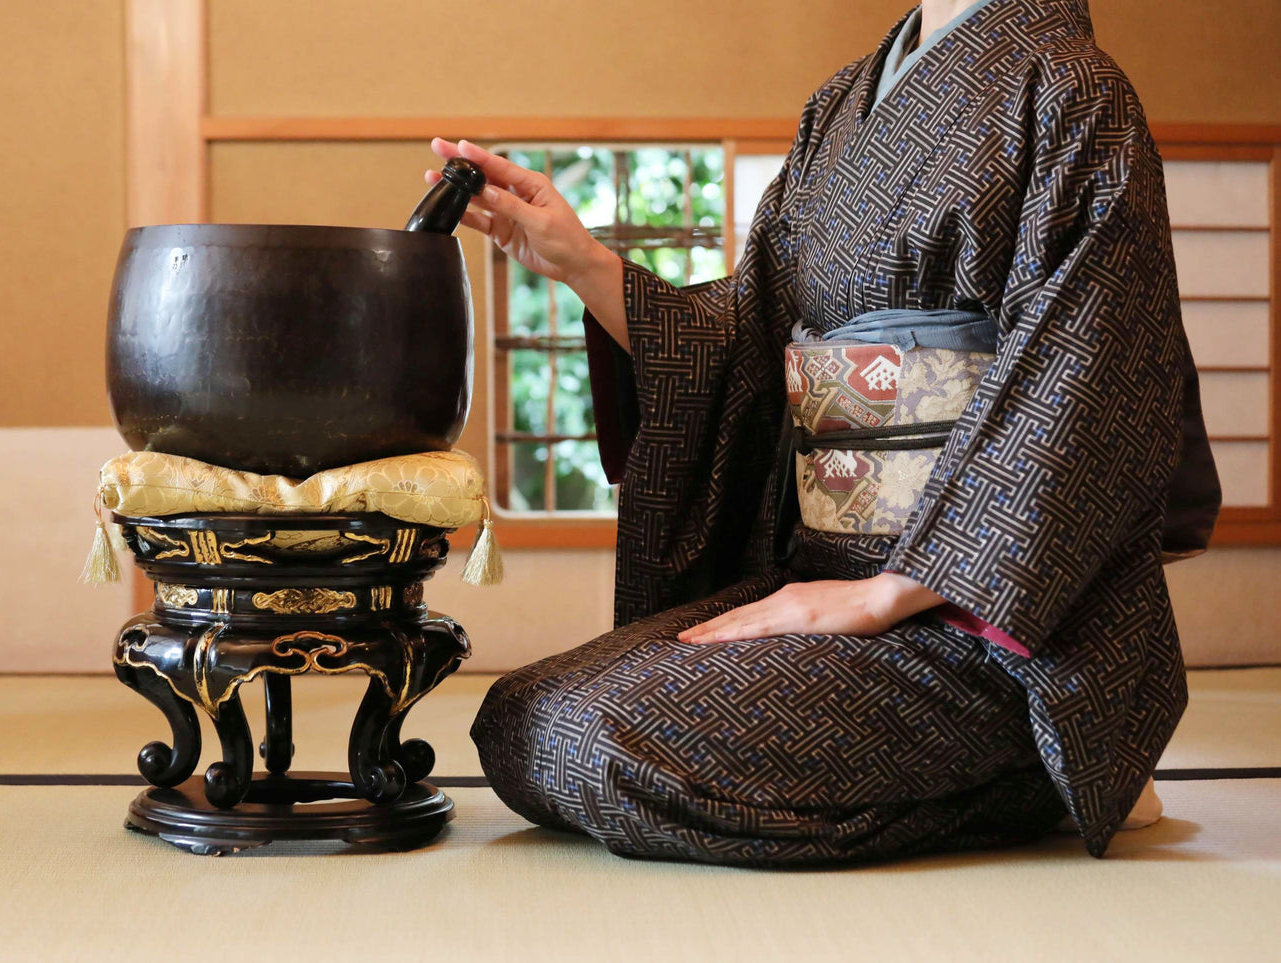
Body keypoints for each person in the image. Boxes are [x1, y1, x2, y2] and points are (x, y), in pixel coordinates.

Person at [427, 0, 1221, 866]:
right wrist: (580, 261)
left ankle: (1050, 749)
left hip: (984, 625)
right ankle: (1012, 771)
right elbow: (752, 336)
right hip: (826, 584)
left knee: (600, 740)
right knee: (521, 718)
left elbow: (1085, 378)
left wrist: (881, 596)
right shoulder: (841, 104)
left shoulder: (1072, 90)